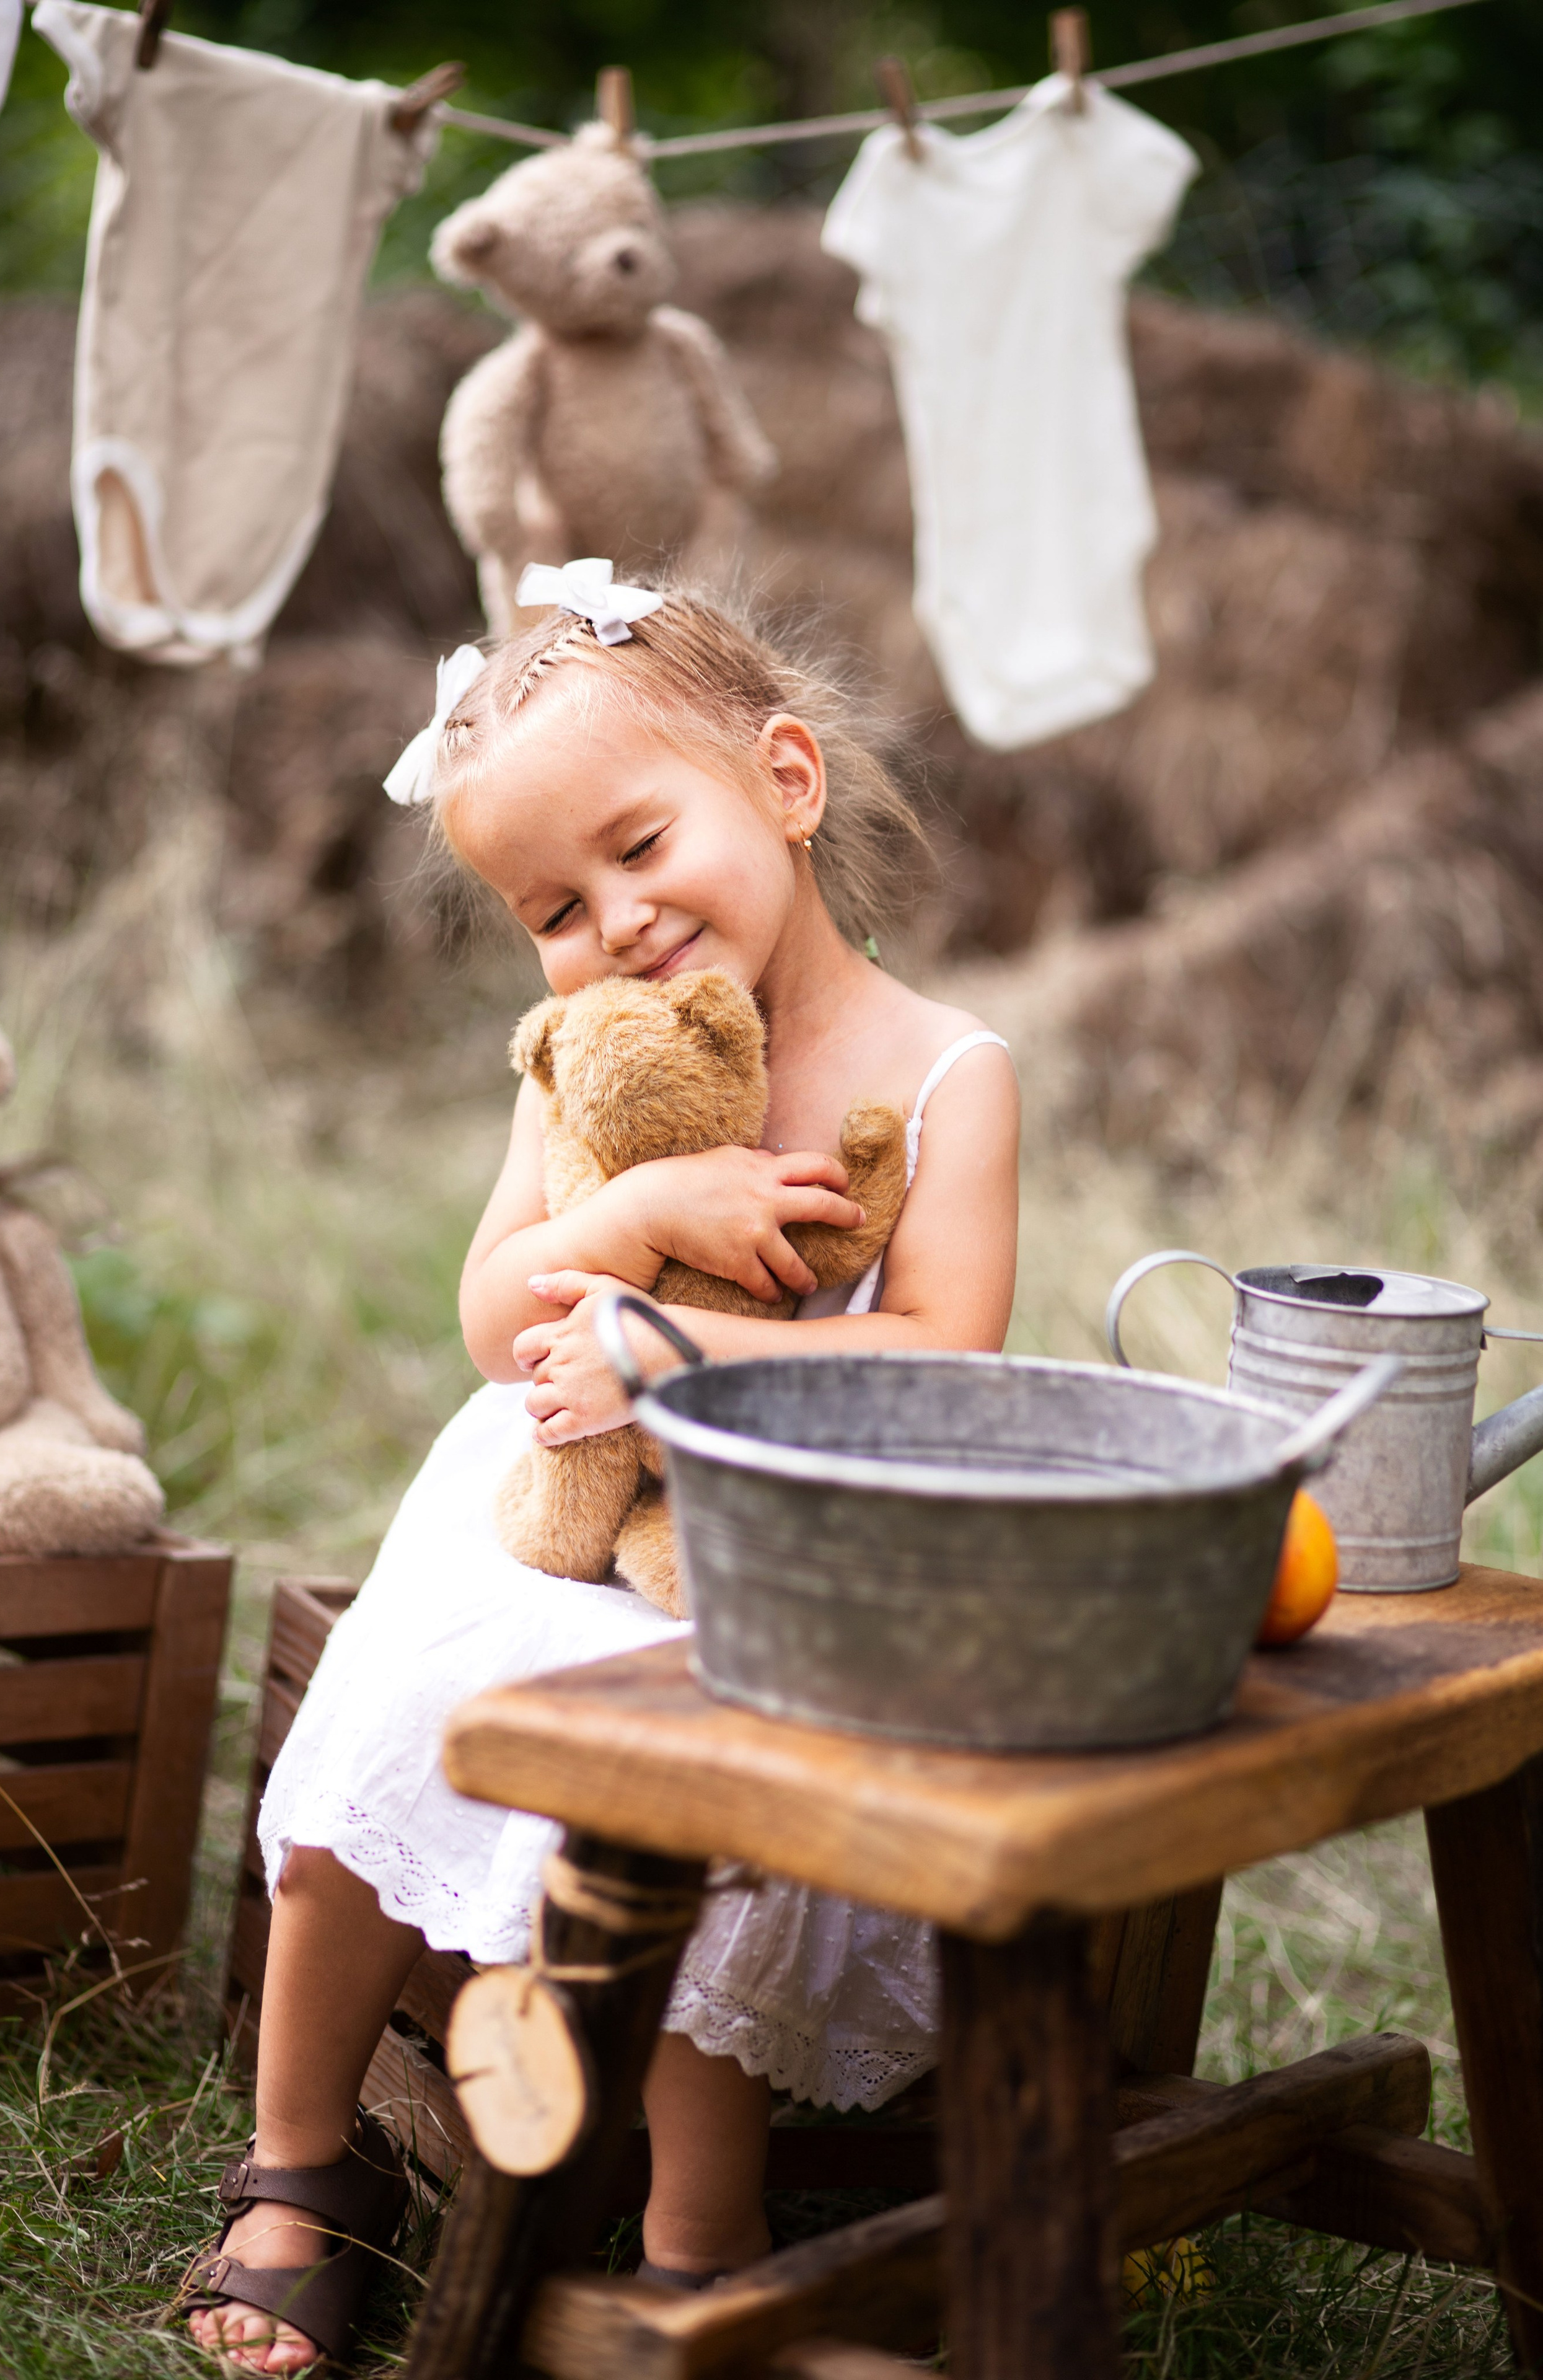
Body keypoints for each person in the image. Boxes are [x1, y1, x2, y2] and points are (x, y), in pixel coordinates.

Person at [182, 568, 1021, 2371]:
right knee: (386, 1720)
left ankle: (692, 2251)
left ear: (786, 782)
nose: (618, 923)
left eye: (644, 848)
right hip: (546, 1499)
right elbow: (499, 1315)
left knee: (696, 1836)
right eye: (554, 906)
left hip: (779, 1548)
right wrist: (633, 1214)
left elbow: (943, 1360)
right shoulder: (570, 1063)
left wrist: (691, 1343)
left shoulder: (946, 1070)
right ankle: (304, 2165)